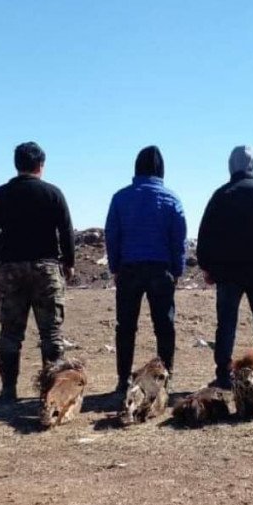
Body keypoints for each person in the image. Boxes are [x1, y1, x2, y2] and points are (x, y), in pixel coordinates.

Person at [0, 142, 75, 405]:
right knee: (51, 333)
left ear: (17, 164)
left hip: (11, 269)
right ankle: (51, 390)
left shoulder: (0, 195)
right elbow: (66, 231)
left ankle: (8, 389)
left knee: (10, 333)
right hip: (46, 269)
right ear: (41, 165)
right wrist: (69, 262)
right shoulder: (53, 193)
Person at [197, 146, 253, 391]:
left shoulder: (221, 196)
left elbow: (206, 235)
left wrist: (207, 266)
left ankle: (224, 375)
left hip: (228, 273)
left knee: (226, 324)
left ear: (231, 165)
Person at [105, 146, 187, 394]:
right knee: (164, 326)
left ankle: (123, 379)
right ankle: (165, 378)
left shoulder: (120, 198)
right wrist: (177, 269)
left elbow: (112, 235)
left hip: (129, 268)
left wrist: (115, 266)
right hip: (160, 269)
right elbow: (178, 239)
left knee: (126, 326)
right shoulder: (171, 199)